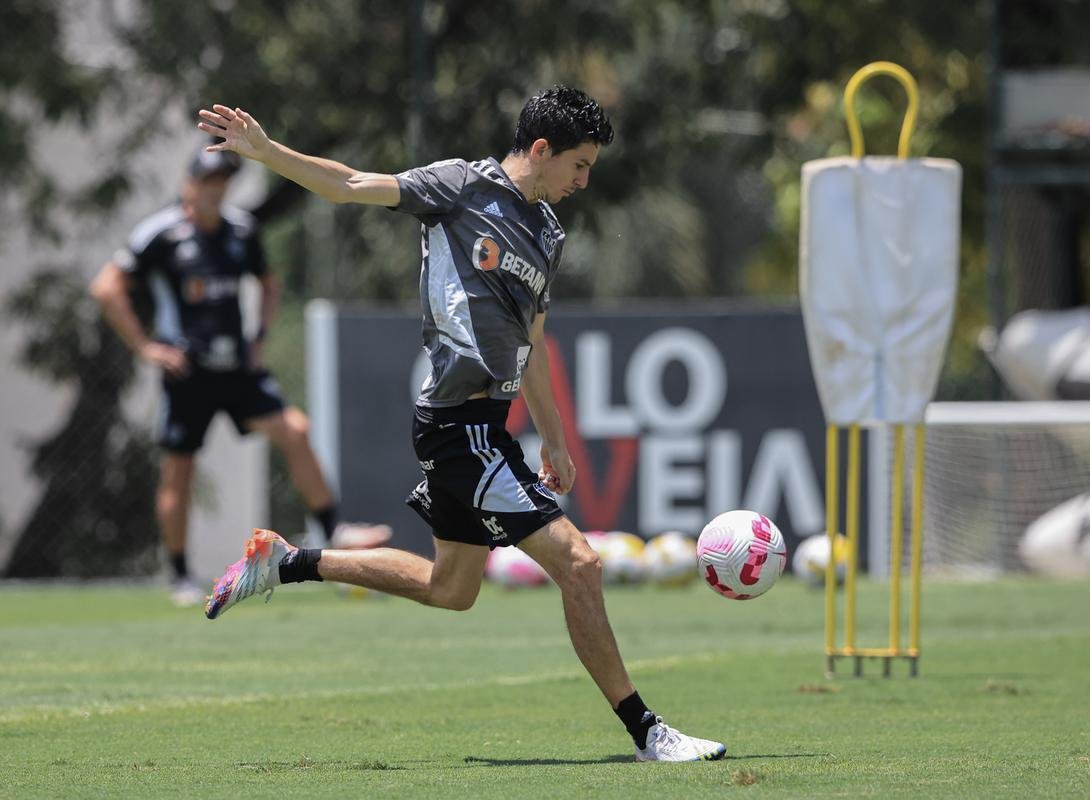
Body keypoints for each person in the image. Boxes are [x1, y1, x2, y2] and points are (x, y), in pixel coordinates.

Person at [196, 86, 726, 763]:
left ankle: (286, 561)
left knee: (452, 589)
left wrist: (555, 441)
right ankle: (648, 731)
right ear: (540, 150)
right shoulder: (457, 188)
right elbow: (352, 184)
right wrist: (267, 152)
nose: (583, 181)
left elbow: (531, 346)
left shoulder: (548, 234)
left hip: (484, 427)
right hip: (459, 427)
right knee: (582, 565)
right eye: (579, 165)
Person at [90, 147, 391, 607]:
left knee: (295, 430)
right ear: (190, 183)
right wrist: (146, 348)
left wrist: (260, 337)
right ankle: (179, 576)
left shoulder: (240, 230)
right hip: (188, 373)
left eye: (223, 181)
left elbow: (269, 283)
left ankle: (334, 534)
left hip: (238, 370)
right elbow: (107, 287)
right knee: (180, 470)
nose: (216, 188)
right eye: (209, 179)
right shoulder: (161, 233)